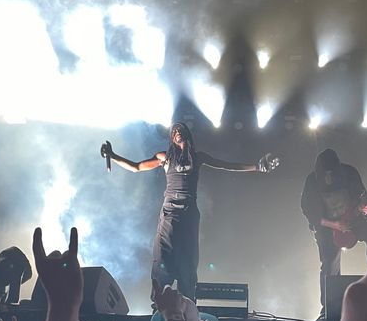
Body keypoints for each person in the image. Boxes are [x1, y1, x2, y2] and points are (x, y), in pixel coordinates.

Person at [101, 123, 277, 302]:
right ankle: (161, 301)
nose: (178, 134)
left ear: (187, 135)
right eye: (175, 132)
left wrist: (257, 166)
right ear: (172, 138)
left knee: (188, 259)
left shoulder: (197, 157)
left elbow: (226, 165)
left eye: (181, 131)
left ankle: (187, 301)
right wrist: (113, 156)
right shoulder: (165, 157)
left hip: (189, 214)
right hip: (170, 212)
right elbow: (137, 167)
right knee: (164, 255)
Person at [301, 148, 367, 314]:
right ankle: (329, 305)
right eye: (325, 175)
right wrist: (334, 225)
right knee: (329, 262)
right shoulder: (311, 182)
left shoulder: (350, 173)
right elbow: (310, 213)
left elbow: (365, 198)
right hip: (327, 228)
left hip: (353, 222)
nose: (329, 178)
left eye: (332, 174)